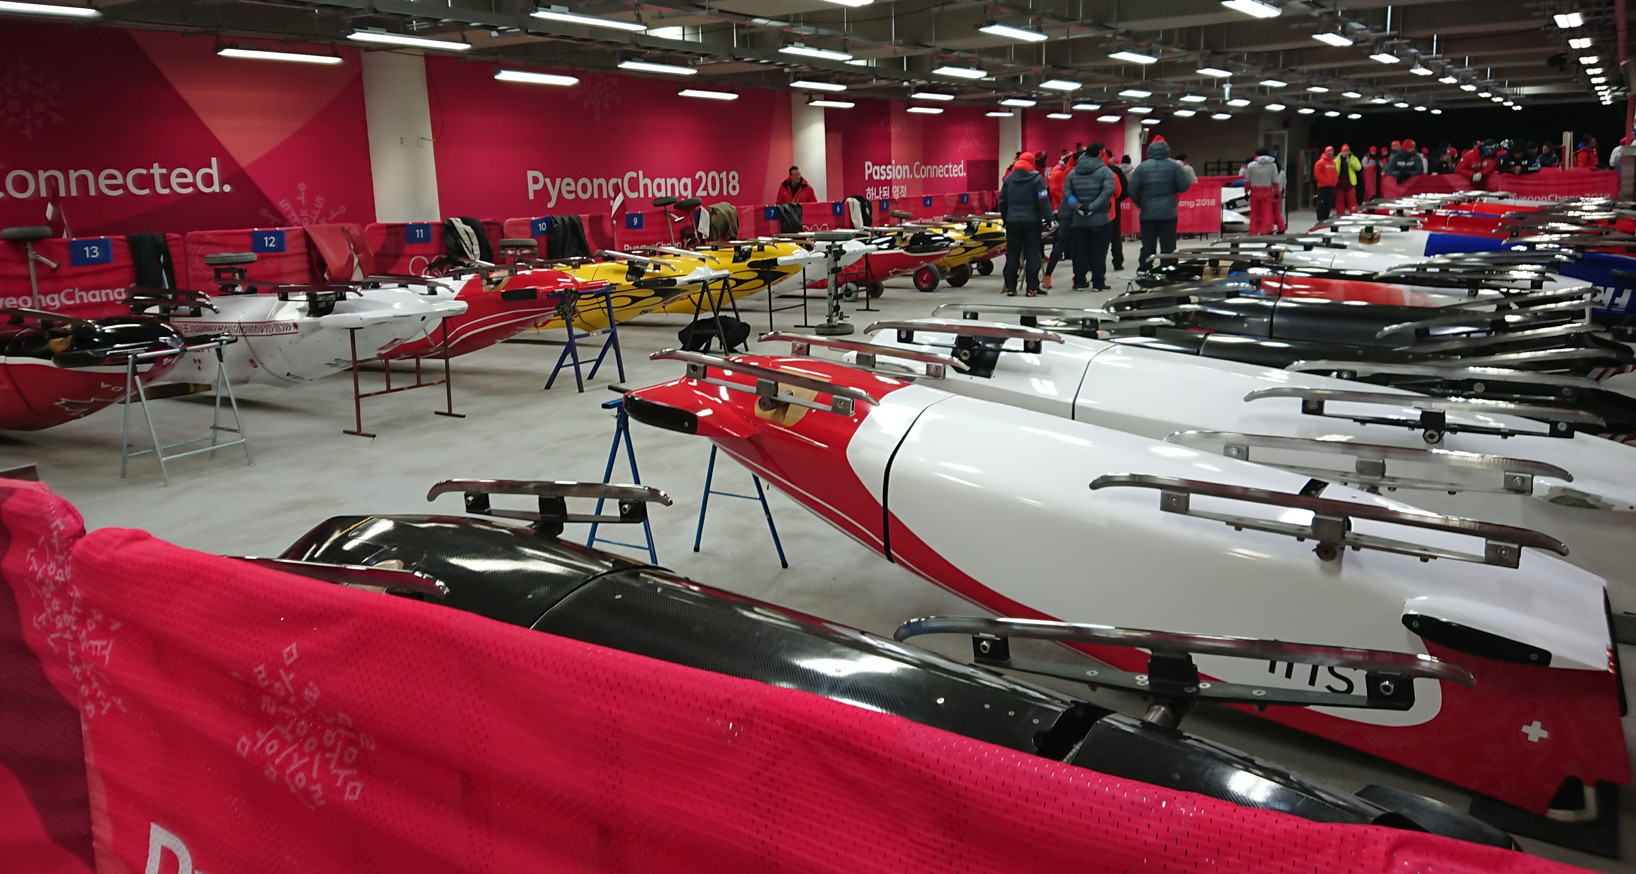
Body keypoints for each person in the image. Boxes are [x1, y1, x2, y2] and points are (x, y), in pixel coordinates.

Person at [1126, 137, 1192, 272]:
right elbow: (1184, 186)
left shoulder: (1141, 168)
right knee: (1168, 244)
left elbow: (1131, 190)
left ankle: (1144, 268)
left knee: (1147, 244)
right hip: (1168, 212)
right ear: (1167, 151)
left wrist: (1142, 203)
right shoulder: (1175, 166)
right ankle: (1168, 268)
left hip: (1148, 212)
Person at [1061, 143, 1115, 291]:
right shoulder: (1105, 172)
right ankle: (1098, 282)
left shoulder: (1073, 172)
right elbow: (1107, 193)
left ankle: (1079, 281)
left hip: (1079, 221)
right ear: (1099, 153)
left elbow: (1067, 193)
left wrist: (1077, 206)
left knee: (1079, 251)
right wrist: (1092, 207)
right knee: (1099, 252)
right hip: (1100, 219)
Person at [997, 151, 1050, 296]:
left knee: (1013, 254)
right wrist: (1049, 218)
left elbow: (1001, 201)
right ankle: (1032, 287)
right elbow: (1043, 200)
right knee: (1033, 253)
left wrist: (1005, 218)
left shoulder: (1008, 180)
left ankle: (1011, 287)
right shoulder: (1037, 179)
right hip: (1032, 221)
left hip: (1013, 221)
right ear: (1032, 162)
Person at [1242, 149, 1282, 235]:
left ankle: (1253, 231)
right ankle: (1265, 231)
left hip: (1254, 191)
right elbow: (1275, 180)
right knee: (1266, 213)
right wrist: (1276, 192)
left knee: (1254, 213)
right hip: (1267, 191)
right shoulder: (1273, 165)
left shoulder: (1251, 165)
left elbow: (1247, 180)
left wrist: (1246, 191)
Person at [1104, 147, 1131, 271]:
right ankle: (1118, 262)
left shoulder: (1084, 170)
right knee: (1115, 236)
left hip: (1090, 208)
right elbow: (1124, 190)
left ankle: (1091, 264)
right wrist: (1117, 199)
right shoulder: (1114, 171)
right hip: (1113, 207)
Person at [1333, 144, 1362, 215]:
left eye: (1347, 151)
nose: (1346, 153)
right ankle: (1340, 214)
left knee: (1352, 200)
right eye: (1345, 151)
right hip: (1339, 183)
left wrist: (1350, 162)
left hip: (1350, 183)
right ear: (1342, 152)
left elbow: (1359, 167)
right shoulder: (1337, 159)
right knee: (1339, 200)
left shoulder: (1353, 158)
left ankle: (1354, 214)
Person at [1312, 146, 1338, 223]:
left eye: (1332, 151)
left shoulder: (1333, 162)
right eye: (1329, 151)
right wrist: (1326, 181)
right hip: (1323, 186)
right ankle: (1320, 218)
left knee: (1329, 202)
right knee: (1322, 202)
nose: (1330, 152)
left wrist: (1335, 181)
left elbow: (1335, 173)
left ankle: (1326, 217)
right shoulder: (1320, 163)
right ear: (1326, 152)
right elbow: (1317, 174)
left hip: (1331, 186)